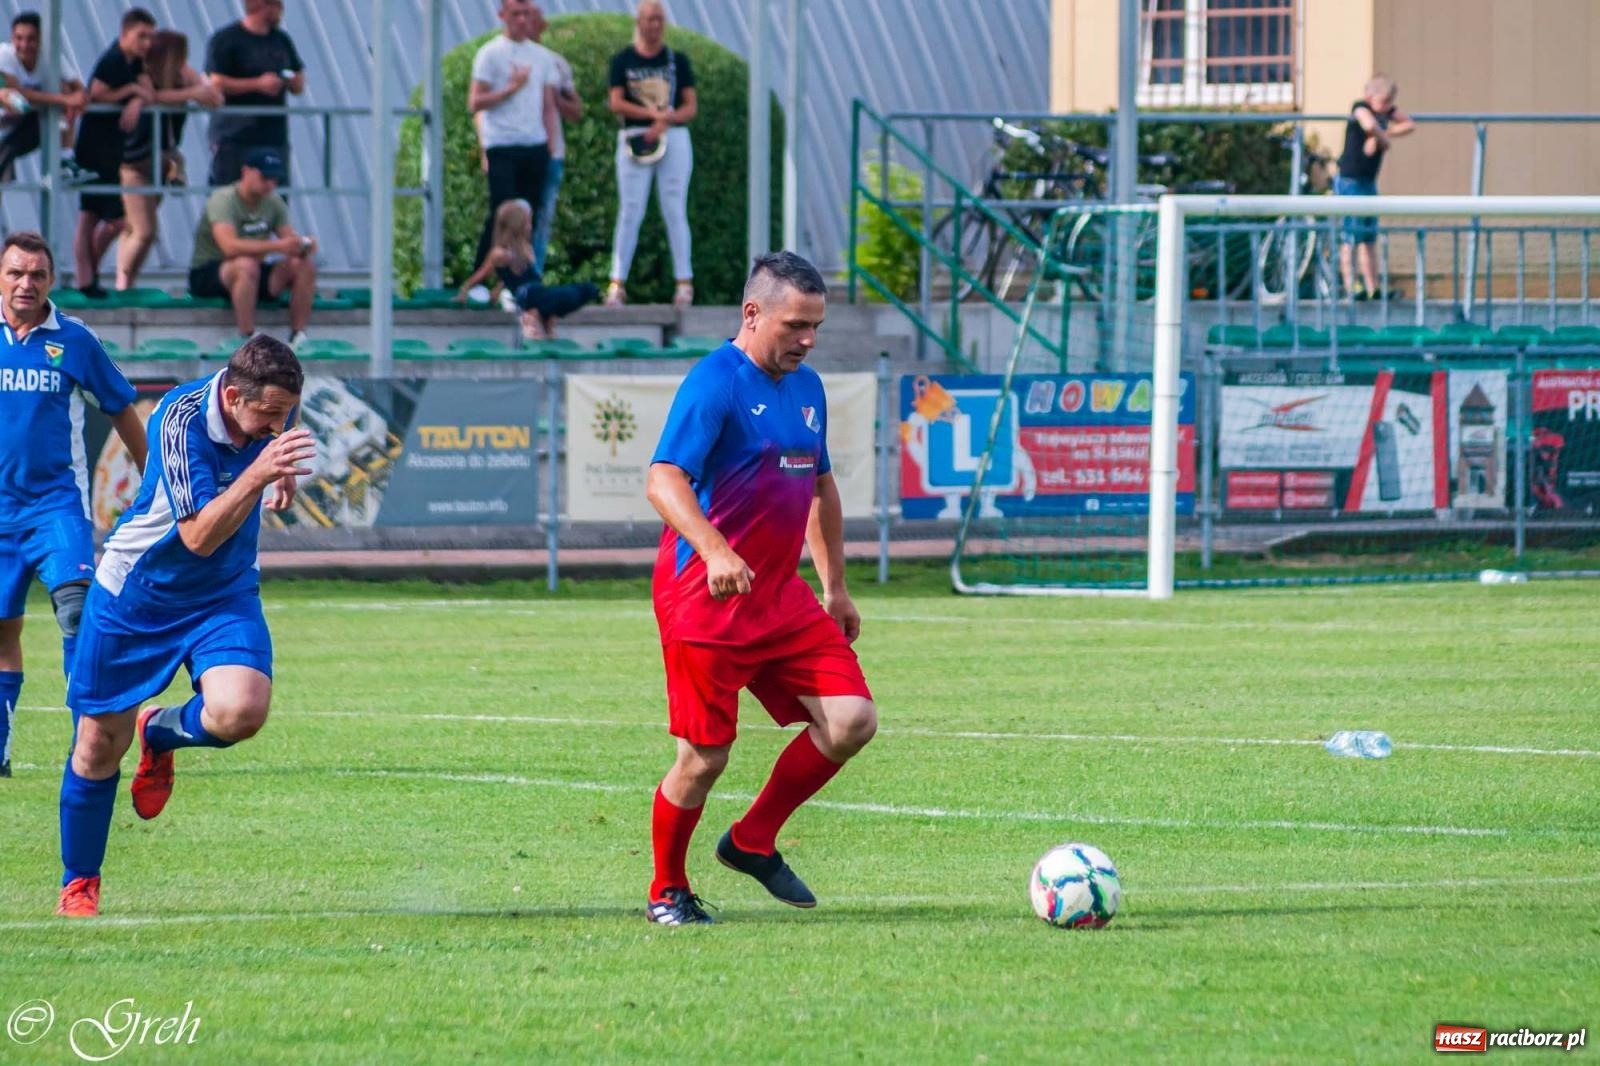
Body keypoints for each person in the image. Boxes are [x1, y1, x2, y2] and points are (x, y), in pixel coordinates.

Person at [642, 251, 877, 926]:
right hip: (705, 599)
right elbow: (663, 479)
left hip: (779, 598)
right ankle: (666, 891)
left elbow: (820, 487)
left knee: (852, 720)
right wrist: (715, 549)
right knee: (704, 758)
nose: (808, 340)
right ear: (753, 313)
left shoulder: (808, 389)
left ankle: (751, 839)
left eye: (816, 327)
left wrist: (835, 587)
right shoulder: (714, 382)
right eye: (795, 325)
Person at [55, 336, 312, 917]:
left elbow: (281, 418)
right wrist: (260, 474)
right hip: (138, 592)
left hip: (223, 592)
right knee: (97, 744)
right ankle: (79, 883)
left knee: (241, 712)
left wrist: (282, 466)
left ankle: (161, 732)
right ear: (232, 397)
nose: (278, 426)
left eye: (286, 414)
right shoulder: (179, 419)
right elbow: (196, 537)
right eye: (269, 415)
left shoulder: (269, 406)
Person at [0, 231, 147, 781]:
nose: (26, 283)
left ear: (52, 281)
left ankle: (87, 743)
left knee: (77, 612)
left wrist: (157, 479)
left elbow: (121, 407)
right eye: (16, 273)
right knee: (2, 631)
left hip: (56, 507)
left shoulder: (75, 340)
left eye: (37, 274)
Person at [605, 0, 697, 309]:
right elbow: (616, 102)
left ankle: (684, 281)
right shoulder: (623, 60)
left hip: (673, 136)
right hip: (636, 136)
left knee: (674, 207)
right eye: (649, 19)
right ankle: (617, 282)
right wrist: (652, 116)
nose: (654, 25)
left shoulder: (676, 60)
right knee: (630, 209)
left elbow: (690, 105)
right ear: (639, 22)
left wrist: (666, 121)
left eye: (659, 19)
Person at [116, 30, 222, 291]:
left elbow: (215, 98)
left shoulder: (181, 78)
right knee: (144, 231)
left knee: (135, 228)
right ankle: (123, 283)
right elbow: (153, 97)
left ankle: (126, 281)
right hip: (133, 162)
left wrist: (196, 83)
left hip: (161, 161)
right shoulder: (143, 76)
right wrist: (191, 93)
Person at [187, 146, 317, 347]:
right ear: (246, 171)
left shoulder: (274, 202)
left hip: (253, 272)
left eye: (274, 180)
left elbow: (288, 240)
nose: (269, 184)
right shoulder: (223, 199)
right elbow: (229, 247)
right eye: (264, 178)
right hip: (211, 272)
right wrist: (277, 246)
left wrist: (302, 245)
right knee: (246, 265)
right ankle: (247, 335)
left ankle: (298, 334)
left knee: (303, 265)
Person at [468, 0, 560, 285]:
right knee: (503, 213)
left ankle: (518, 280)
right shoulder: (490, 54)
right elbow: (475, 102)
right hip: (502, 144)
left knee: (529, 217)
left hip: (534, 144)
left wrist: (551, 146)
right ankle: (482, 277)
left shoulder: (542, 57)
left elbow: (548, 105)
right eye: (515, 14)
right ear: (503, 16)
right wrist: (511, 89)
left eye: (526, 14)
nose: (522, 20)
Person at [73, 8, 155, 299]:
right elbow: (96, 93)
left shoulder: (134, 63)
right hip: (94, 148)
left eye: (150, 37)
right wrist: (129, 91)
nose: (146, 43)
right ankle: (85, 277)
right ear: (125, 33)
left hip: (112, 149)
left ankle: (89, 275)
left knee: (102, 217)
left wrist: (136, 98)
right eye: (141, 36)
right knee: (94, 217)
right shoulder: (113, 60)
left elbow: (149, 92)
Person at [455, 198, 597, 339]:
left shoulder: (525, 247)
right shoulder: (500, 253)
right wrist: (465, 289)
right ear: (515, 225)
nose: (530, 227)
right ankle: (536, 314)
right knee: (568, 295)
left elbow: (510, 278)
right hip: (527, 296)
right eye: (526, 223)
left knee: (587, 289)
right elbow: (483, 273)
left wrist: (497, 291)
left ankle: (544, 316)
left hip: (537, 291)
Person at [204, 0, 305, 188]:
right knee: (229, 194)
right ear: (263, 6)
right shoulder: (226, 39)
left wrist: (291, 80)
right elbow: (217, 81)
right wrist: (258, 84)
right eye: (278, 6)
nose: (281, 11)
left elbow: (298, 80)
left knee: (274, 197)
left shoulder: (281, 40)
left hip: (274, 136)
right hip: (234, 136)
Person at [1336, 73, 1414, 301]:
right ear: (1370, 97)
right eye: (1384, 102)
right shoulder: (1360, 107)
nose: (1387, 107)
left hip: (1368, 181)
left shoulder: (1386, 112)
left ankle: (1374, 286)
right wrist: (1381, 137)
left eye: (1390, 102)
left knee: (1368, 237)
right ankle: (1350, 285)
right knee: (1351, 235)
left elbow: (1409, 124)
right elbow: (1367, 123)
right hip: (1350, 181)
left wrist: (1382, 136)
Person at [0, 11, 87, 183]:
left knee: (65, 89)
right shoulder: (4, 54)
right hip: (8, 121)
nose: (24, 45)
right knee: (7, 95)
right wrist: (64, 100)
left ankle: (65, 159)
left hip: (30, 124)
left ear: (41, 39)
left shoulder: (50, 57)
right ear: (11, 38)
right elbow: (15, 92)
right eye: (19, 38)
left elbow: (79, 89)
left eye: (31, 39)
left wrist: (75, 103)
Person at [529, 4, 581, 277]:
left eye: (532, 19)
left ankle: (532, 277)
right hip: (517, 150)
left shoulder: (555, 62)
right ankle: (508, 280)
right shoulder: (501, 56)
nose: (526, 24)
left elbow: (576, 111)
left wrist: (552, 97)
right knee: (512, 217)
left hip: (551, 152)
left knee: (542, 219)